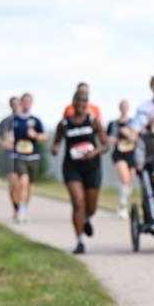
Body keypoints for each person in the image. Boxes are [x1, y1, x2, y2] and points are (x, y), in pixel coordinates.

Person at [51, 92, 108, 254]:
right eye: (77, 101)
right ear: (73, 103)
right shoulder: (64, 124)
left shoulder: (93, 121)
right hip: (72, 167)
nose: (80, 104)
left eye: (84, 101)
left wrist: (95, 152)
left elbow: (105, 145)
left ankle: (87, 218)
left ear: (87, 104)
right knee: (77, 202)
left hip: (91, 167)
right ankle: (80, 241)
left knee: (91, 206)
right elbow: (57, 142)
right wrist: (55, 148)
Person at [12, 93, 47, 224]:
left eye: (29, 101)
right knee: (23, 182)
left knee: (28, 185)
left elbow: (44, 136)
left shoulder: (35, 120)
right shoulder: (14, 120)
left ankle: (25, 208)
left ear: (31, 104)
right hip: (19, 156)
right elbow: (6, 136)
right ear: (20, 103)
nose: (26, 104)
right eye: (24, 101)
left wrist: (36, 135)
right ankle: (20, 211)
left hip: (33, 156)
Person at [107, 100, 138, 218]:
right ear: (120, 108)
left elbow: (136, 138)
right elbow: (107, 137)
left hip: (130, 153)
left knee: (130, 181)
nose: (124, 109)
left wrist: (128, 134)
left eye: (126, 107)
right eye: (122, 107)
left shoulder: (134, 123)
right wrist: (113, 139)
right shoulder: (113, 124)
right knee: (125, 179)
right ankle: (123, 205)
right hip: (119, 153)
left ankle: (122, 200)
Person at [0, 96, 22, 220]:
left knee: (22, 184)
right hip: (9, 155)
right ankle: (16, 209)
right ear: (10, 106)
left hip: (24, 156)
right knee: (14, 184)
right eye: (14, 104)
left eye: (18, 104)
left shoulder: (26, 120)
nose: (16, 106)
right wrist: (3, 143)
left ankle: (21, 208)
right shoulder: (5, 122)